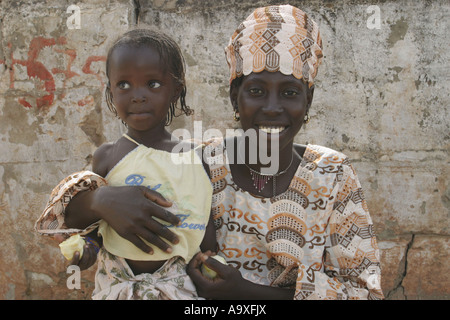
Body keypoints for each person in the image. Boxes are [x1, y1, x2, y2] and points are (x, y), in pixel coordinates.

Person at [36, 5, 384, 300]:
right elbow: (72, 214)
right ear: (236, 99)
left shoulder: (333, 175)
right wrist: (100, 201)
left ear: (308, 101)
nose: (273, 107)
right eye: (257, 91)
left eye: (290, 92)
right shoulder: (199, 164)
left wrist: (245, 294)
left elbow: (364, 292)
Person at [35, 28, 216, 300]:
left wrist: (210, 262)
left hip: (177, 288)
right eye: (124, 85)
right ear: (110, 91)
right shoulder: (107, 157)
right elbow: (97, 231)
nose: (138, 95)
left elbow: (204, 227)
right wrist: (86, 252)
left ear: (175, 90)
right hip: (116, 286)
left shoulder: (194, 158)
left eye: (153, 84)